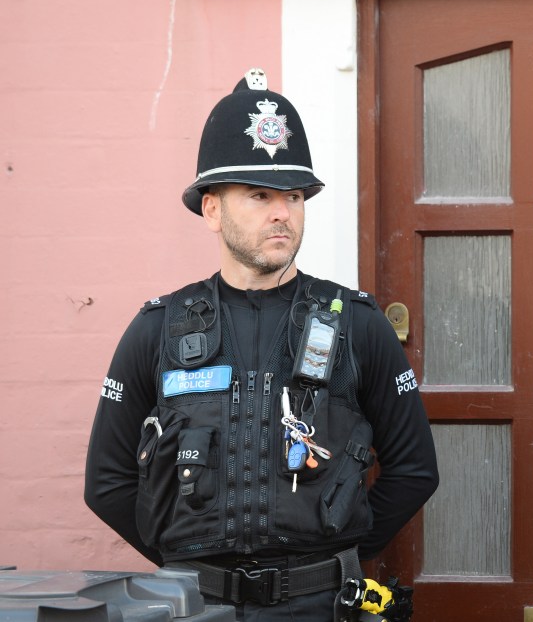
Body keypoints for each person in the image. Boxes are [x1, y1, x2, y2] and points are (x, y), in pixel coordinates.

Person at [84, 69, 439, 622]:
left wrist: (336, 554)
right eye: (259, 195)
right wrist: (184, 557)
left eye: (293, 196)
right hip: (192, 606)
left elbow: (414, 469)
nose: (282, 212)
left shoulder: (357, 325)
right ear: (212, 208)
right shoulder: (159, 329)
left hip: (321, 606)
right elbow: (106, 482)